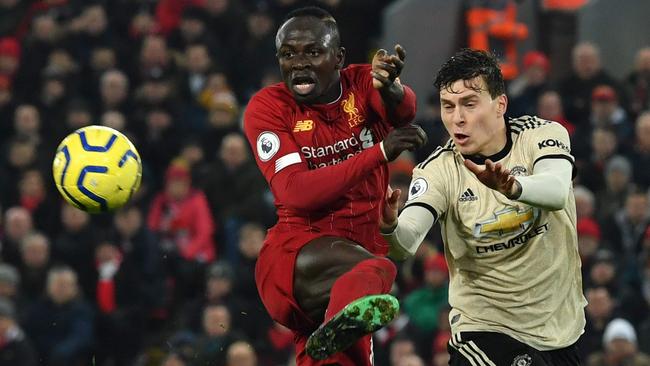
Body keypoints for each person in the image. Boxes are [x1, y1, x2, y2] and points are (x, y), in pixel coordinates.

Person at [243, 6, 426, 365]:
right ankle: (336, 329)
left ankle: (331, 338)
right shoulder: (269, 107)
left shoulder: (360, 84)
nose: (299, 63)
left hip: (349, 276)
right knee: (378, 270)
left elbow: (403, 111)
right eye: (288, 54)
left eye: (313, 52)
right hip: (297, 257)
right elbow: (296, 192)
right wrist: (379, 153)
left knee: (341, 356)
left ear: (339, 57)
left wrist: (392, 87)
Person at [380, 49, 586, 365]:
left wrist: (513, 187)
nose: (457, 118)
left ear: (500, 104)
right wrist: (390, 226)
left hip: (560, 333)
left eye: (469, 104)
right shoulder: (438, 170)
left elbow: (557, 191)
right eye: (448, 107)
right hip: (484, 331)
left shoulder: (541, 135)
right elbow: (406, 243)